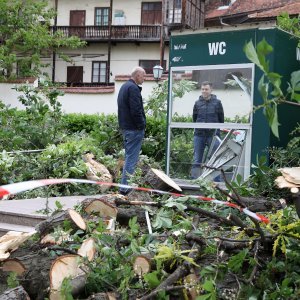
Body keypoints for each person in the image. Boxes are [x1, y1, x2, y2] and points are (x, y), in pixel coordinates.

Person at [117, 66, 146, 194]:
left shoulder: (124, 87)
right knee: (131, 159)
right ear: (137, 75)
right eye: (143, 76)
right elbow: (136, 110)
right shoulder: (133, 88)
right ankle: (124, 189)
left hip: (126, 127)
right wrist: (141, 125)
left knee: (129, 157)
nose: (144, 79)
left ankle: (124, 187)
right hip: (134, 129)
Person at [191, 81, 224, 180]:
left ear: (211, 90)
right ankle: (194, 181)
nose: (204, 91)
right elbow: (194, 118)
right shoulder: (197, 103)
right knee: (197, 159)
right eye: (202, 89)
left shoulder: (217, 103)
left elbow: (221, 119)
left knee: (215, 159)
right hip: (199, 134)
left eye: (206, 89)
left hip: (213, 135)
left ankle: (217, 182)